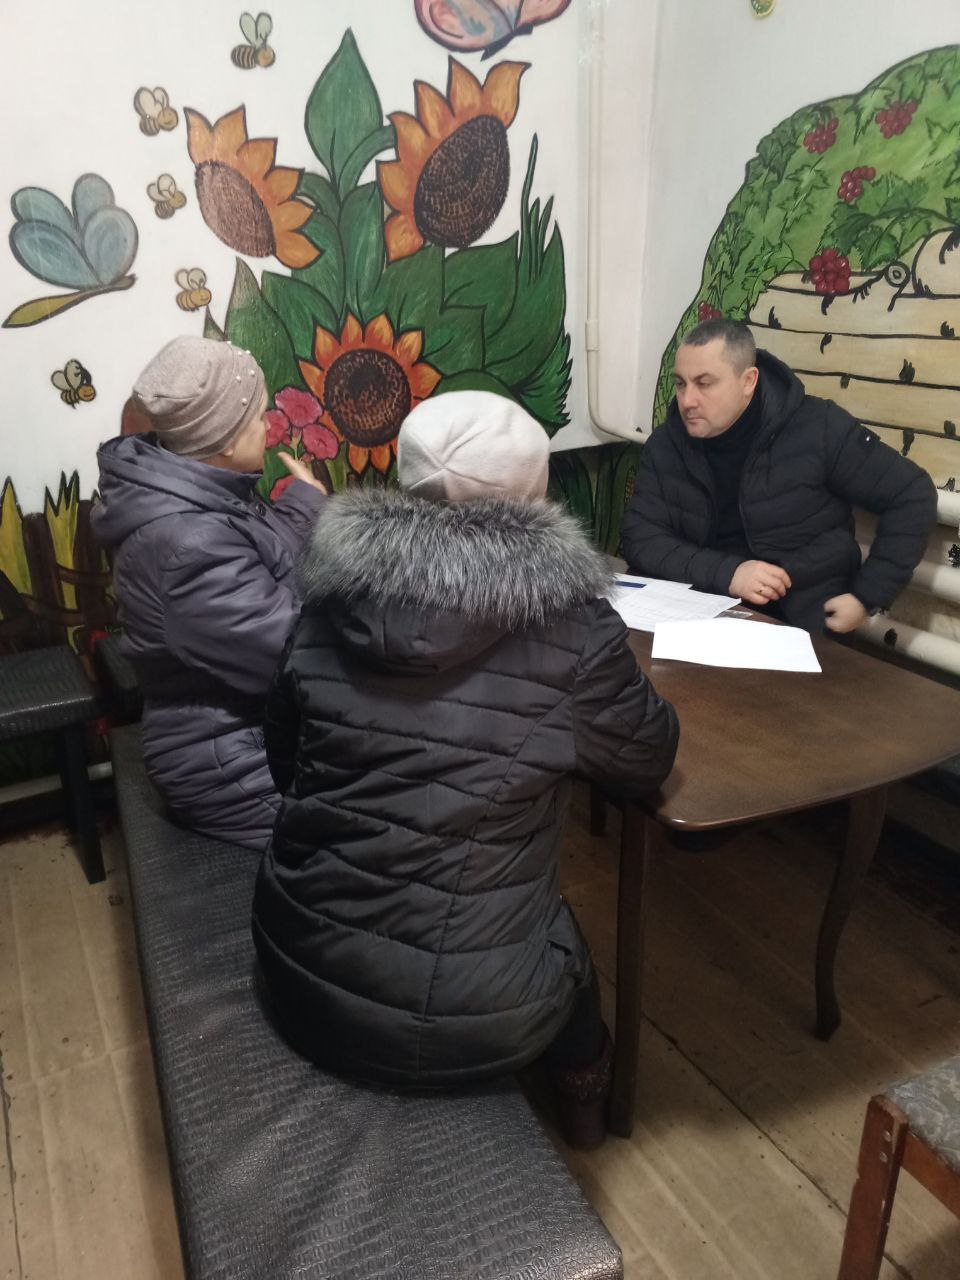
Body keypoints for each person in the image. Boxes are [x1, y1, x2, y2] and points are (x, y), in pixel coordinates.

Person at [252, 390, 679, 1148]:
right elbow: (646, 760)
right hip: (476, 1018)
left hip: (299, 970)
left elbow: (285, 766)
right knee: (565, 949)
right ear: (535, 496)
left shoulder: (324, 601)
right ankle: (587, 1108)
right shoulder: (573, 627)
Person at [92, 335, 326, 851]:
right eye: (260, 417)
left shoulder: (195, 490)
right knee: (385, 826)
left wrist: (306, 502)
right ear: (225, 440)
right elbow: (292, 655)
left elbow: (263, 556)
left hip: (251, 729)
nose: (270, 427)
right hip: (229, 761)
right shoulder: (187, 543)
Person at [620, 318, 937, 634]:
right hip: (696, 607)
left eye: (704, 384)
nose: (687, 400)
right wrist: (729, 573)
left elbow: (912, 494)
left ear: (748, 381)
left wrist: (866, 597)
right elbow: (641, 537)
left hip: (797, 618)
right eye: (681, 384)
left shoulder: (818, 427)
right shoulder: (667, 443)